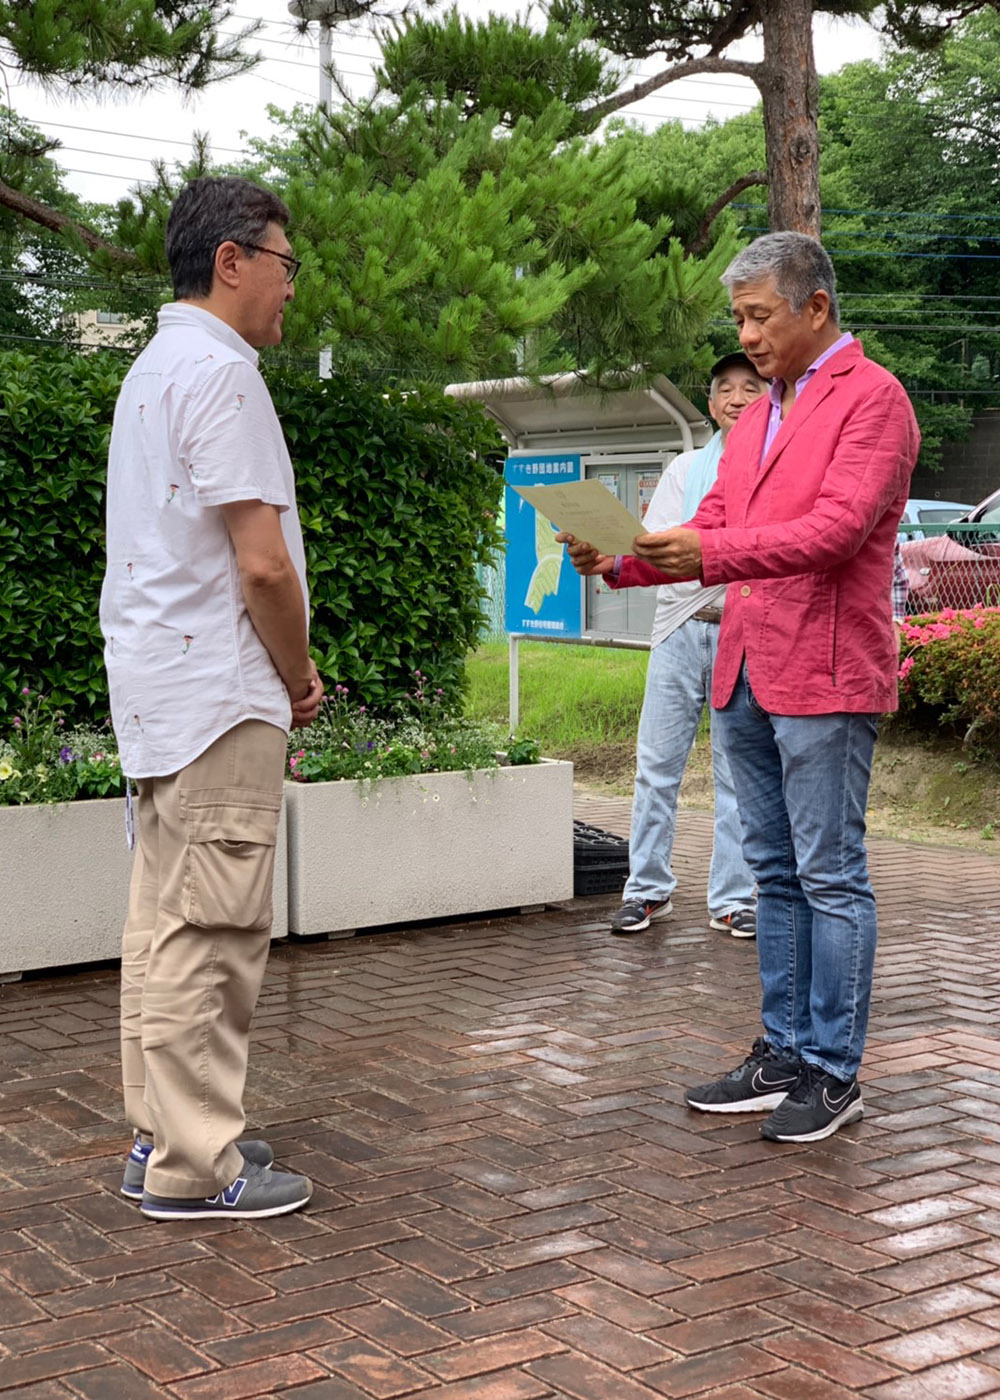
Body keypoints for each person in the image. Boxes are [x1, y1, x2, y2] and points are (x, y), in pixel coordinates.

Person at [561, 232, 920, 1142]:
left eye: (760, 317)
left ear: (816, 308)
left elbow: (835, 531)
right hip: (749, 664)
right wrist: (621, 561)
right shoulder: (762, 414)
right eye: (739, 319)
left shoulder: (873, 402)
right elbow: (711, 524)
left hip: (828, 670)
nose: (747, 337)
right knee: (774, 872)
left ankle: (833, 1072)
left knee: (830, 874)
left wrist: (708, 549)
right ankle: (785, 1051)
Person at [100, 176, 323, 1220]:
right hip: (220, 687)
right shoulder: (222, 376)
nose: (291, 289)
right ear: (232, 259)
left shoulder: (152, 368)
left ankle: (161, 1136)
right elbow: (262, 565)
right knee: (215, 929)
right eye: (285, 264)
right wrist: (298, 672)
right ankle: (202, 1165)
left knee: (162, 920)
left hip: (157, 686)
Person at [610, 352, 766, 938]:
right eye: (724, 388)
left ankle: (733, 898)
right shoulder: (684, 468)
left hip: (740, 630)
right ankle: (646, 890)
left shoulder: (771, 467)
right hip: (679, 629)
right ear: (709, 403)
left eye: (750, 387)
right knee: (656, 767)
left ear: (769, 396)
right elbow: (663, 552)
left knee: (736, 774)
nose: (736, 397)